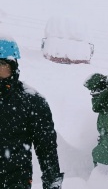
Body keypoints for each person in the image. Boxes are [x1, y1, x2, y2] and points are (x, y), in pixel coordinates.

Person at [0, 37, 64, 188]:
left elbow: (46, 147)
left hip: (14, 181)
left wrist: (52, 182)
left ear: (13, 66)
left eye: (1, 65)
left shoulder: (32, 101)